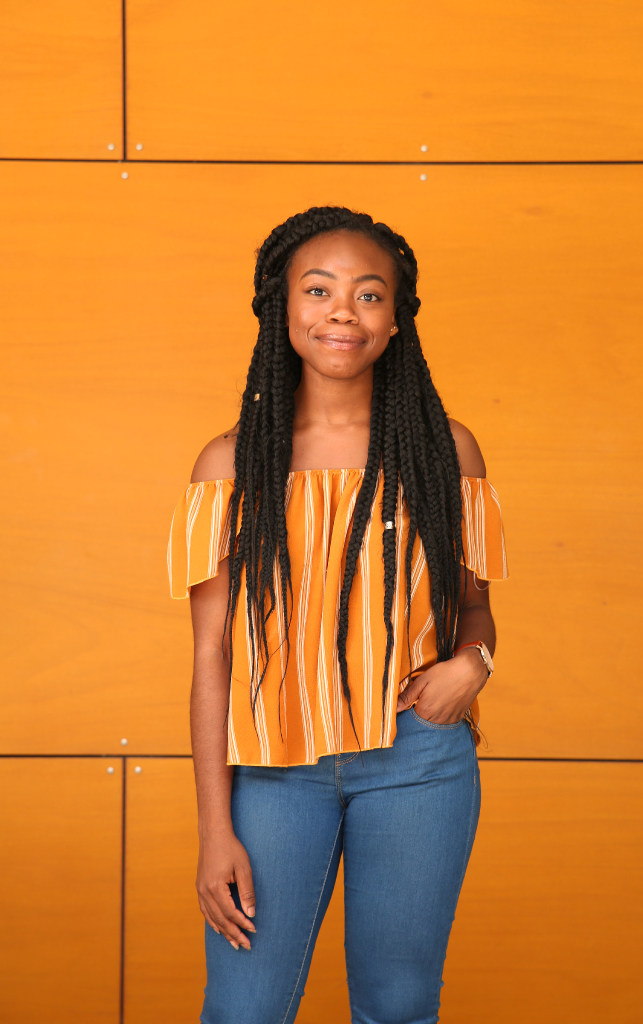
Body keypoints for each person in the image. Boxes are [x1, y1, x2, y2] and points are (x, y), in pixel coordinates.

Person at [167, 206, 509, 1024]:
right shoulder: (230, 463)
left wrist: (473, 665)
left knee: (396, 1007)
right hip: (274, 778)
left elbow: (474, 609)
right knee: (244, 1010)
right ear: (282, 311)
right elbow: (211, 654)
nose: (342, 312)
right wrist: (215, 830)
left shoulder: (445, 451)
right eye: (317, 290)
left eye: (368, 294)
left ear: (396, 321)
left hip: (419, 766)